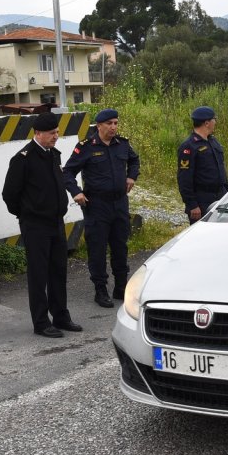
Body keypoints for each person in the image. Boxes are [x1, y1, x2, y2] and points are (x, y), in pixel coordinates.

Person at [2, 112, 81, 338]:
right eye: (51, 133)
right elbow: (10, 194)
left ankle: (61, 316)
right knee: (39, 275)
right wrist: (27, 214)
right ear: (38, 133)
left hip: (56, 222)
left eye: (57, 132)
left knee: (58, 271)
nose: (56, 136)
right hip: (35, 225)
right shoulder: (23, 159)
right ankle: (41, 322)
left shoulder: (53, 155)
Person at [63, 108, 139, 308]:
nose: (113, 127)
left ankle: (121, 287)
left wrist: (132, 176)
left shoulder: (122, 144)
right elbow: (68, 172)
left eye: (116, 123)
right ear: (99, 126)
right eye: (109, 123)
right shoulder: (86, 147)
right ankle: (100, 289)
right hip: (97, 205)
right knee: (97, 248)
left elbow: (134, 160)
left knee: (120, 246)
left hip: (120, 204)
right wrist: (76, 192)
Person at [176, 106, 228, 224]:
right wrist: (192, 204)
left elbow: (221, 170)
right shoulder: (189, 146)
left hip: (220, 196)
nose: (215, 122)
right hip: (202, 200)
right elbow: (184, 179)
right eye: (214, 120)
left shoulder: (213, 141)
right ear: (207, 123)